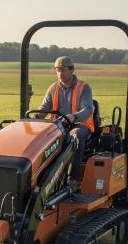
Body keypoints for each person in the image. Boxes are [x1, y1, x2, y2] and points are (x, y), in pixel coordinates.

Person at [36, 56, 95, 188]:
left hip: (80, 124)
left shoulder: (84, 87)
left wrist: (74, 116)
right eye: (57, 70)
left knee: (75, 136)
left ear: (72, 70)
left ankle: (73, 179)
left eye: (63, 70)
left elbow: (88, 109)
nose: (60, 74)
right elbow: (44, 108)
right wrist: (37, 115)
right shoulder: (53, 88)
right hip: (58, 125)